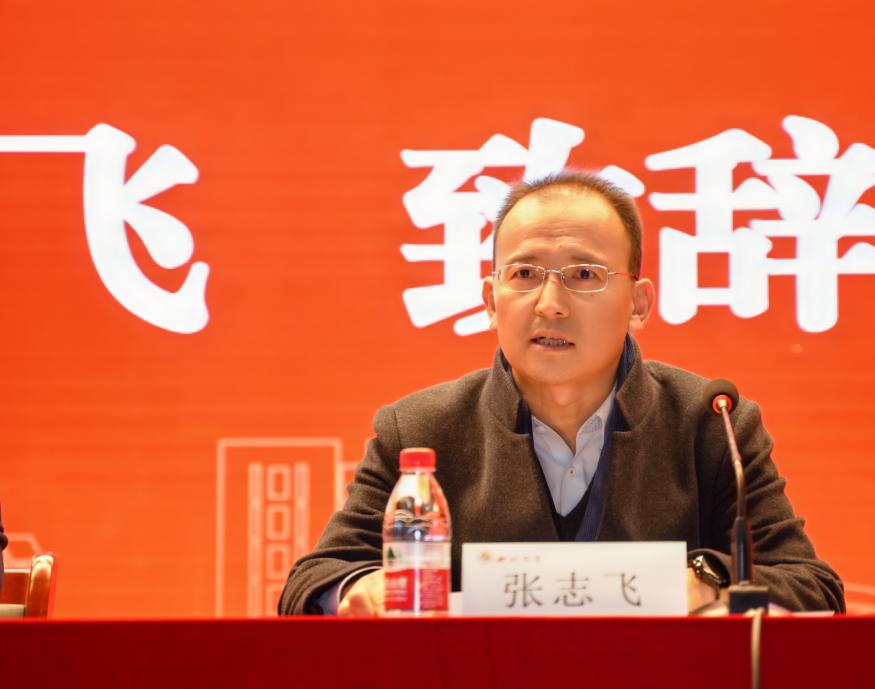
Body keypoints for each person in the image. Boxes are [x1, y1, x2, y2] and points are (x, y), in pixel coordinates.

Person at [279, 170, 844, 616]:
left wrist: (706, 577)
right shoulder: (422, 429)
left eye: (584, 275)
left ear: (639, 304)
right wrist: (361, 587)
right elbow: (315, 579)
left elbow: (810, 585)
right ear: (490, 300)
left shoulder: (709, 422)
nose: (550, 304)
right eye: (524, 274)